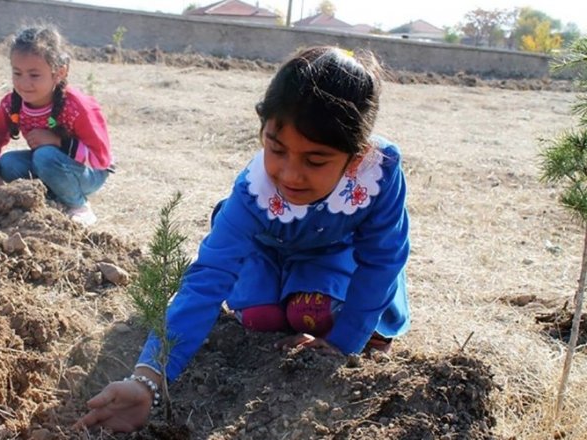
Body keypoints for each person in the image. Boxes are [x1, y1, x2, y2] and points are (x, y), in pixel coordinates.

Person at [76, 46, 411, 433]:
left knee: (315, 315)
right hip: (270, 249)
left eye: (315, 161)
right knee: (261, 319)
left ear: (355, 157)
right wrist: (148, 378)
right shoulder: (253, 193)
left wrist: (343, 343)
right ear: (263, 129)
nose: (290, 175)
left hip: (334, 254)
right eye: (276, 149)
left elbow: (383, 260)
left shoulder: (378, 174)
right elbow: (205, 280)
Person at [0, 25, 113, 226]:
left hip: (89, 172)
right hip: (51, 164)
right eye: (17, 73)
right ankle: (50, 203)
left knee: (44, 155)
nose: (23, 83)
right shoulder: (11, 104)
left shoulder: (78, 107)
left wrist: (58, 141)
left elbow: (101, 160)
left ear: (59, 73)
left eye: (34, 75)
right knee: (8, 163)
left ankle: (78, 205)